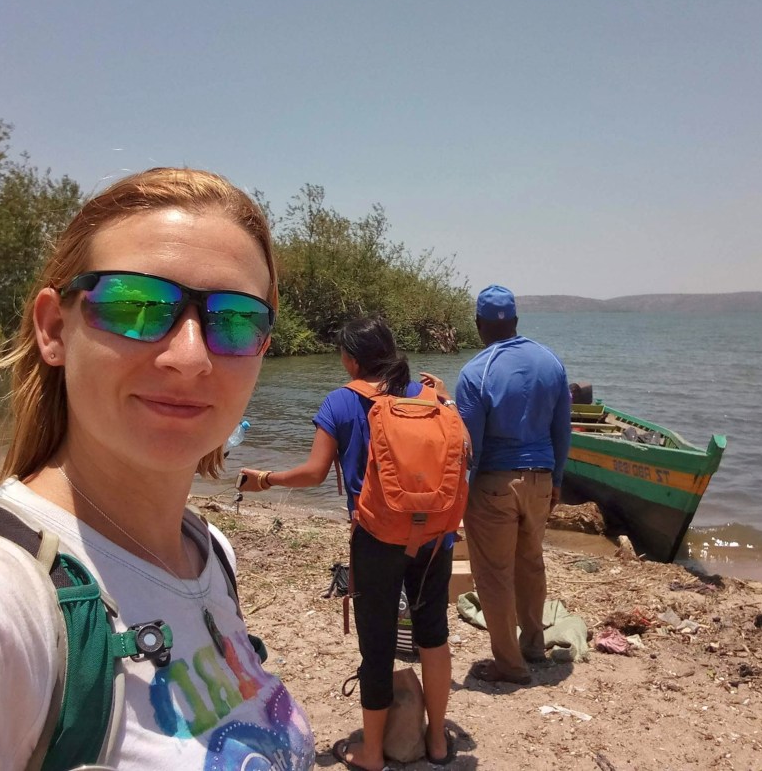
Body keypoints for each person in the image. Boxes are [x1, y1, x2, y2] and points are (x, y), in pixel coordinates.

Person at [0, 168, 316, 769]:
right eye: (136, 306)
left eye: (236, 319)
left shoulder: (209, 552)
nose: (190, 357)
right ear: (54, 328)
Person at [240, 316, 458, 771]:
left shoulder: (341, 401)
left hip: (377, 538)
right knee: (434, 634)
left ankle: (373, 753)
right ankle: (437, 742)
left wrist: (264, 478)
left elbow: (314, 473)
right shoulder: (429, 394)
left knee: (377, 645)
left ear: (351, 359)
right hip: (436, 534)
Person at [422, 284, 571, 685]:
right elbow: (562, 430)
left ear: (479, 325)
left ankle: (510, 665)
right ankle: (533, 645)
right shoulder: (551, 362)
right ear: (517, 321)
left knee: (494, 575)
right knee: (531, 563)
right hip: (541, 480)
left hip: (496, 486)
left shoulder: (477, 371)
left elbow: (471, 446)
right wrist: (556, 480)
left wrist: (445, 403)